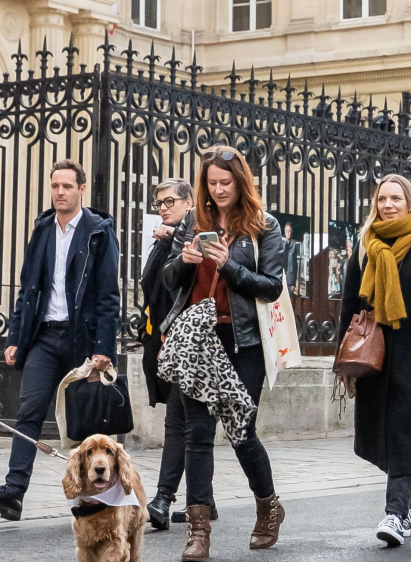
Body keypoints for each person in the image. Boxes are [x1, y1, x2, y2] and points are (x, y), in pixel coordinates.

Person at [0, 160, 120, 521]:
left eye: (67, 186)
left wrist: (103, 349)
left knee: (88, 422)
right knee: (29, 412)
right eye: (55, 186)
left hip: (82, 340)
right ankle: (13, 493)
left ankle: (102, 498)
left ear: (82, 189)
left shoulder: (99, 232)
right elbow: (28, 290)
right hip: (44, 337)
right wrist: (16, 337)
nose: (60, 192)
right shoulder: (42, 229)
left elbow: (108, 295)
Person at [158, 146, 285, 561]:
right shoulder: (195, 221)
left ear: (240, 181)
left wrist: (229, 265)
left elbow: (271, 286)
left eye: (225, 183)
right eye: (211, 184)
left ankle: (268, 506)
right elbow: (168, 280)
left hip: (242, 342)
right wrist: (185, 259)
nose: (218, 191)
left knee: (241, 431)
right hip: (199, 337)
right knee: (197, 434)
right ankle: (197, 531)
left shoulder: (264, 225)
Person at [336, 174, 411, 547]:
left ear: (410, 204)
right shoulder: (365, 247)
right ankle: (406, 508)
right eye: (382, 200)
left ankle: (394, 513)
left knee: (405, 436)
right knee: (389, 440)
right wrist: (343, 363)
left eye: (396, 199)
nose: (388, 206)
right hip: (373, 358)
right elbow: (350, 308)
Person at [140, 178, 198, 531]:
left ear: (189, 202)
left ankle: (164, 497)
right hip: (168, 344)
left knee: (180, 421)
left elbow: (178, 285)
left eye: (170, 200)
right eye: (159, 202)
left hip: (193, 344)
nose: (163, 207)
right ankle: (201, 500)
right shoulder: (165, 241)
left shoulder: (192, 238)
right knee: (190, 425)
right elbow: (151, 286)